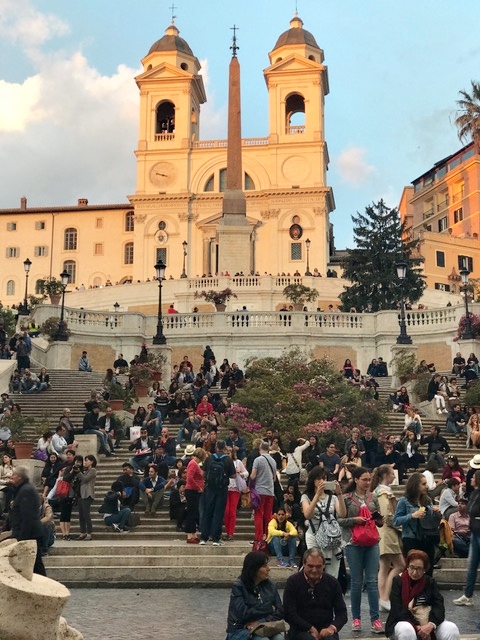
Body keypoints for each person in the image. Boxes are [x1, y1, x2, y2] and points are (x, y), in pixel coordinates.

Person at [337, 466, 384, 634]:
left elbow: (379, 519)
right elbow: (340, 520)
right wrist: (355, 520)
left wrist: (379, 520)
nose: (367, 482)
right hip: (353, 542)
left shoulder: (373, 497)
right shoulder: (346, 498)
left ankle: (375, 619)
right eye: (364, 479)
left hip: (371, 542)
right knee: (356, 582)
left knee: (372, 581)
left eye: (369, 479)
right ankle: (356, 618)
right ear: (355, 480)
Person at [386, 549, 460, 640]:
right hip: (403, 622)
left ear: (425, 569)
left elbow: (439, 606)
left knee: (451, 629)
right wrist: (417, 626)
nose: (414, 572)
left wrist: (431, 625)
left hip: (428, 621)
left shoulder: (430, 582)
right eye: (412, 567)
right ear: (407, 566)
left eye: (419, 569)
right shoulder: (398, 581)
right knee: (407, 630)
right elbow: (397, 609)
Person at [283, 548, 348, 640]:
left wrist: (332, 628)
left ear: (324, 566)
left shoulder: (332, 582)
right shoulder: (293, 582)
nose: (314, 570)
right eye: (310, 566)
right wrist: (309, 628)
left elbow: (342, 612)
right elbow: (289, 613)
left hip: (326, 630)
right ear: (304, 564)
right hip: (300, 630)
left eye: (318, 566)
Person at [225, 551, 285, 640]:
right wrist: (268, 609)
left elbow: (280, 611)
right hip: (241, 629)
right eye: (264, 566)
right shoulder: (239, 586)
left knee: (279, 638)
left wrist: (261, 621)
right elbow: (243, 614)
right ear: (254, 569)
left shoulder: (271, 585)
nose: (268, 569)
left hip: (265, 626)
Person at [301, 466, 346, 578]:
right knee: (315, 566)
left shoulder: (332, 497)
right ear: (313, 481)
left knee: (332, 573)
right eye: (319, 479)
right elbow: (307, 515)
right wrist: (317, 495)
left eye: (324, 478)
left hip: (331, 536)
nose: (322, 481)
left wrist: (339, 494)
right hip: (314, 534)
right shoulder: (306, 497)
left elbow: (342, 514)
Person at [371, 465, 404, 612]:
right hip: (388, 531)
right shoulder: (383, 492)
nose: (394, 476)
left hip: (382, 531)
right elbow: (387, 514)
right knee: (400, 565)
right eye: (392, 474)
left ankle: (383, 599)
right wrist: (398, 525)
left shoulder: (378, 490)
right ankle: (384, 597)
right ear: (386, 475)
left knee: (384, 566)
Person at [394, 472, 441, 576]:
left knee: (428, 569)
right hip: (411, 539)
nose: (426, 486)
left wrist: (437, 513)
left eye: (426, 484)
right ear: (415, 485)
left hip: (427, 537)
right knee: (412, 570)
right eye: (423, 484)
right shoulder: (404, 501)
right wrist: (412, 515)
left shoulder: (427, 500)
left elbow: (433, 521)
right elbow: (396, 520)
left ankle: (427, 590)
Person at [9, 466, 46, 575]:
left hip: (29, 535)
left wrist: (22, 538)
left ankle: (44, 587)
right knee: (34, 563)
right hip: (28, 534)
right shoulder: (22, 489)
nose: (12, 476)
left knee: (35, 564)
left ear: (20, 477)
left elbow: (27, 516)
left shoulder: (26, 491)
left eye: (14, 475)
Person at [200, 440, 236, 546]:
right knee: (218, 513)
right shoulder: (228, 460)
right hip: (222, 489)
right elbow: (233, 475)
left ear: (216, 447)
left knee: (207, 512)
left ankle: (204, 537)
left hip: (209, 489)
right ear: (224, 448)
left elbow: (203, 473)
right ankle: (216, 538)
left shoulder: (209, 458)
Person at [453, 468, 480, 606]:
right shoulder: (475, 493)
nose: (470, 479)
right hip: (475, 533)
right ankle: (467, 595)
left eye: (473, 477)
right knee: (472, 565)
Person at [250, 441, 277, 542]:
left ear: (260, 448)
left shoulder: (258, 460)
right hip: (270, 491)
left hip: (259, 491)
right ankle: (268, 537)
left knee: (258, 514)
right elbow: (274, 478)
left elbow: (253, 475)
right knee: (267, 515)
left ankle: (259, 537)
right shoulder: (273, 461)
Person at [224, 446, 249, 541]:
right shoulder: (222, 462)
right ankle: (227, 532)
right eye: (226, 453)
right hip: (225, 488)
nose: (227, 455)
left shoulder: (238, 462)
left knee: (232, 511)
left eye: (229, 453)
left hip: (235, 488)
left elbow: (246, 473)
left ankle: (231, 533)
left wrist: (240, 473)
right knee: (226, 511)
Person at [185, 447, 206, 544]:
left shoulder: (193, 463)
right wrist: (199, 487)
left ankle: (193, 533)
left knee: (193, 513)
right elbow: (190, 478)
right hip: (192, 490)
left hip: (193, 490)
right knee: (191, 513)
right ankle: (190, 534)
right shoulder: (193, 464)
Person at [76, 454, 97, 540]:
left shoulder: (93, 470)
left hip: (88, 494)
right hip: (81, 494)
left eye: (87, 460)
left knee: (86, 514)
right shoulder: (84, 470)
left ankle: (89, 532)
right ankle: (82, 532)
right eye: (85, 460)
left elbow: (85, 479)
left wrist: (78, 472)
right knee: (81, 515)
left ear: (92, 461)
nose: (85, 462)